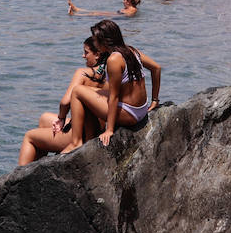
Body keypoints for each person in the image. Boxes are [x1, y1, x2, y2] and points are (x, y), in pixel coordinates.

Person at [64, 19, 162, 150]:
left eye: (96, 40)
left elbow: (114, 97)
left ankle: (76, 143)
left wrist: (109, 129)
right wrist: (155, 100)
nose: (94, 43)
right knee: (88, 90)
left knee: (77, 91)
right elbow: (156, 68)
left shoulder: (114, 59)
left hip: (129, 114)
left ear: (105, 41)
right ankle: (88, 137)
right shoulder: (132, 50)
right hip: (141, 110)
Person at [18, 36, 102, 164]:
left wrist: (61, 118)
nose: (83, 56)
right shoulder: (109, 72)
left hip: (81, 134)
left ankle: (20, 177)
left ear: (97, 55)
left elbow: (65, 102)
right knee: (44, 118)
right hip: (97, 128)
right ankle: (37, 167)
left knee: (29, 136)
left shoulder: (83, 73)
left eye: (86, 52)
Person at [67, 0, 140, 17]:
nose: (123, 1)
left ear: (128, 2)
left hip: (117, 16)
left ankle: (75, 14)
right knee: (95, 12)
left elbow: (125, 15)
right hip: (117, 14)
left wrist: (109, 16)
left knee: (95, 14)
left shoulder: (131, 10)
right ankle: (77, 9)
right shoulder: (131, 8)